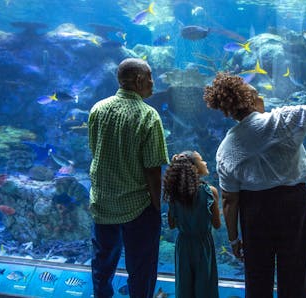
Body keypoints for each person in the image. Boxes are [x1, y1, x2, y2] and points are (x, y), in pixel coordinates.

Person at [203, 46, 306, 298]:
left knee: (257, 276)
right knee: (296, 272)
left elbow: (230, 201)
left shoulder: (226, 148)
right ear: (250, 98)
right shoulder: (282, 121)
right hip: (292, 204)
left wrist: (234, 239)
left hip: (254, 212)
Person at [88, 58, 169, 298]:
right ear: (139, 80)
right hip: (138, 207)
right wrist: (157, 207)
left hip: (102, 204)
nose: (154, 82)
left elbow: (95, 151)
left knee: (102, 264)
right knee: (141, 269)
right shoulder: (148, 116)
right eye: (151, 76)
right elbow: (153, 170)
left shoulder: (98, 109)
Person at [162, 150, 221, 298]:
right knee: (205, 285)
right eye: (201, 161)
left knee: (184, 285)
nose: (205, 163)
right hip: (203, 245)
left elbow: (171, 224)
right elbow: (217, 224)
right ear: (194, 168)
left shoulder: (175, 195)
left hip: (183, 245)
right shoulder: (210, 192)